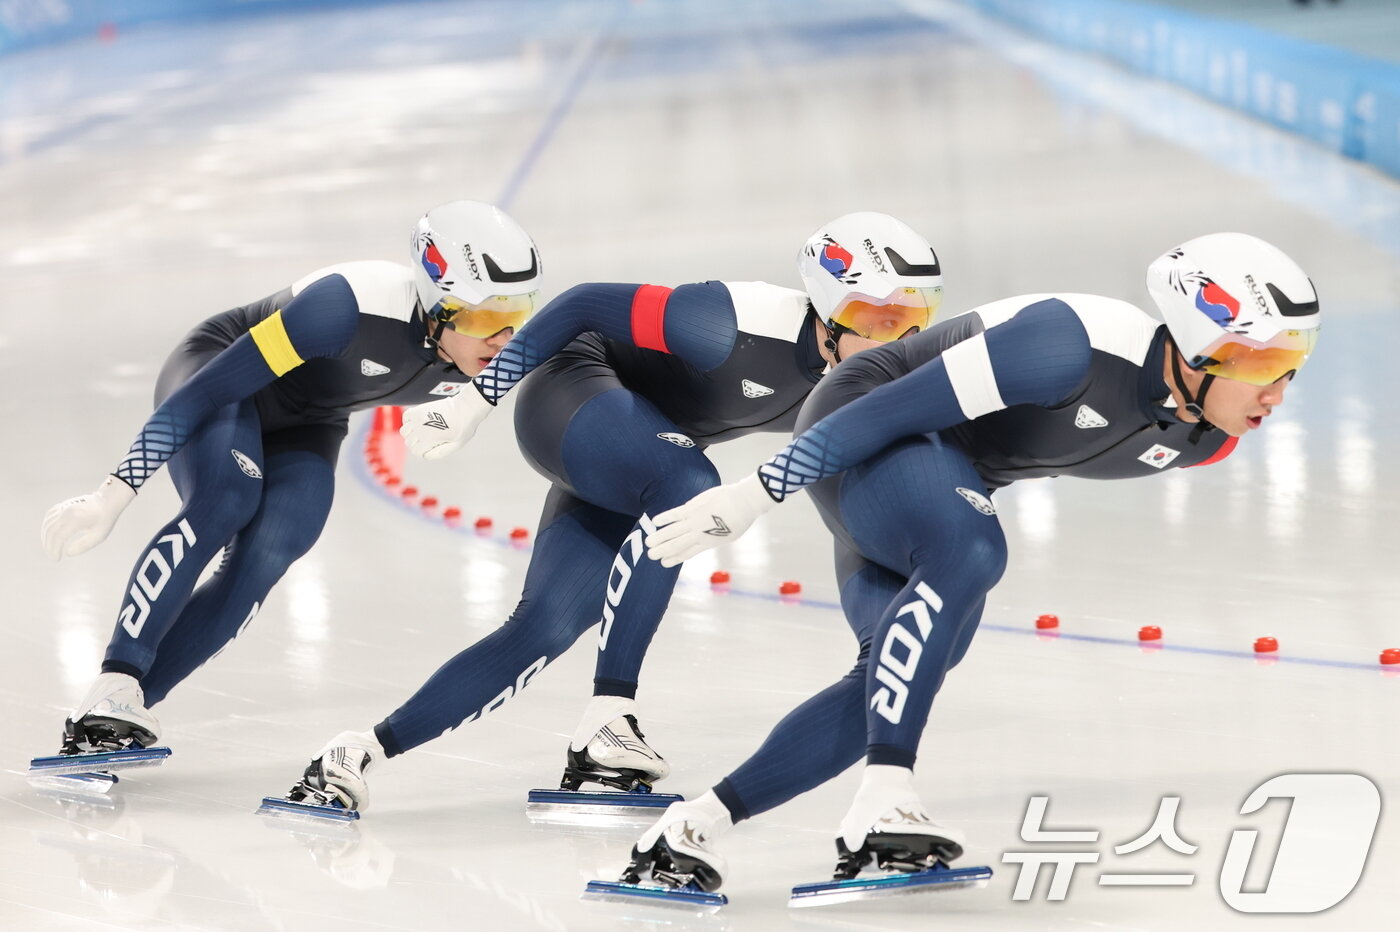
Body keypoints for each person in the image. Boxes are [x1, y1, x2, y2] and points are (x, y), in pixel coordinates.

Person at [625, 232, 1320, 893]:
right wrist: (754, 493)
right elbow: (887, 408)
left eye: (1292, 366)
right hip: (864, 419)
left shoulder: (1207, 440)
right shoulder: (1069, 346)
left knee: (891, 675)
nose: (1276, 393)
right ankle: (885, 797)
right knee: (973, 550)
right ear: (1199, 348)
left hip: (932, 478)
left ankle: (692, 825)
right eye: (1260, 364)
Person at [277, 213, 945, 814]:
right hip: (572, 392)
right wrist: (480, 397)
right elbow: (583, 304)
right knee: (690, 480)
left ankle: (354, 752)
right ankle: (609, 715)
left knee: (545, 625)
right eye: (879, 319)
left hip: (635, 447)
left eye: (916, 320)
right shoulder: (730, 325)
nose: (901, 339)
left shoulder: (874, 380)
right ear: (827, 315)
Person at [38, 200, 543, 761]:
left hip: (313, 420)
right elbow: (208, 391)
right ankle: (116, 676)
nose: (501, 340)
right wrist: (113, 493)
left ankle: (121, 711)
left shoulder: (503, 348)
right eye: (479, 319)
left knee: (278, 542)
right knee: (225, 499)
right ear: (435, 304)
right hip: (225, 380)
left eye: (515, 317)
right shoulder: (346, 309)